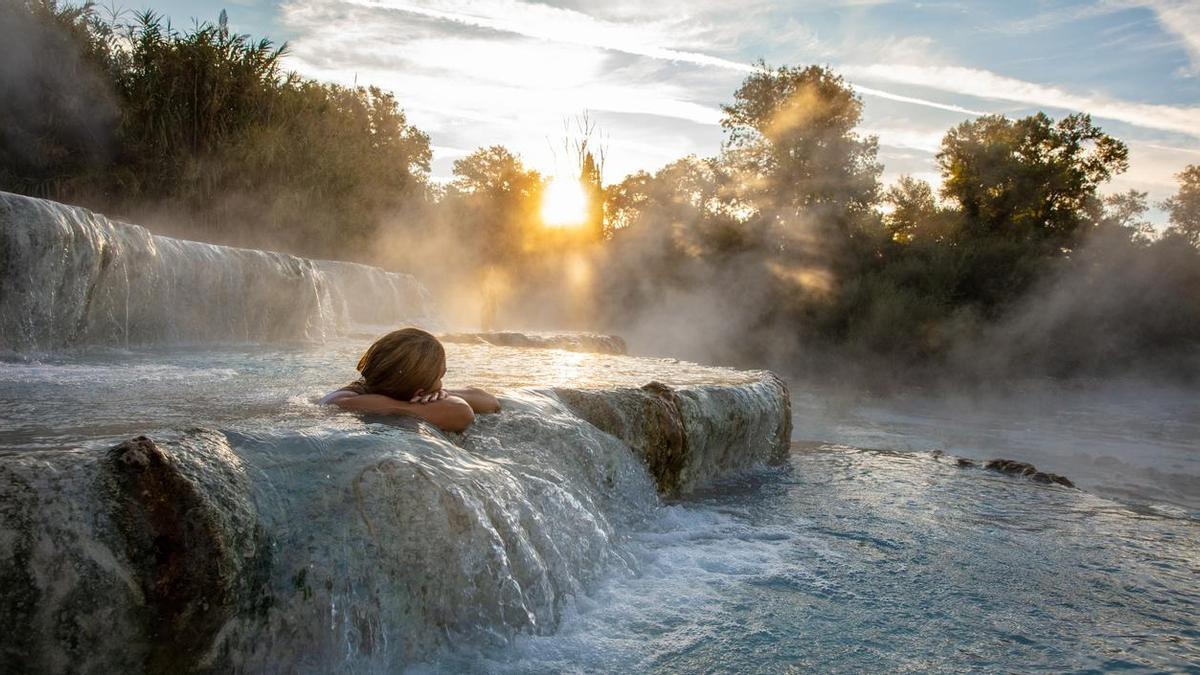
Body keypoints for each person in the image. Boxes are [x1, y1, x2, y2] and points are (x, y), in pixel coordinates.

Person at [321, 327, 500, 432]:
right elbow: (462, 412)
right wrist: (413, 406)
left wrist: (441, 393)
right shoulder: (344, 400)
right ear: (418, 392)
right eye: (441, 377)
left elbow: (491, 402)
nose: (442, 384)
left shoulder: (382, 386)